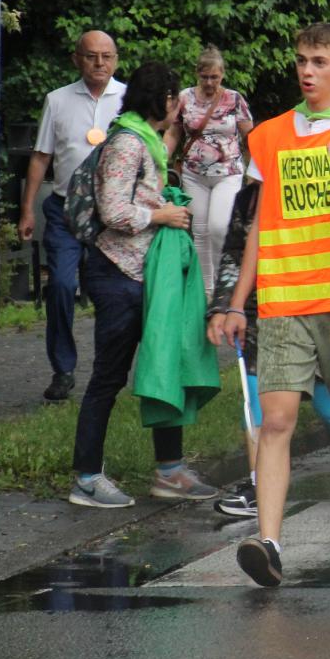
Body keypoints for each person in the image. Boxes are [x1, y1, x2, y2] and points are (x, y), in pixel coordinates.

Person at [212, 23, 330, 587]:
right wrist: (236, 302)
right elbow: (261, 226)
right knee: (277, 423)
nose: (306, 71)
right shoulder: (268, 136)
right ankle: (268, 541)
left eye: (319, 61)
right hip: (285, 297)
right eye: (300, 61)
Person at [69, 61, 217, 509]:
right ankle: (87, 478)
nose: (180, 105)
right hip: (118, 274)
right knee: (108, 378)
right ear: (164, 100)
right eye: (176, 97)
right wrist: (161, 215)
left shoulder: (148, 140)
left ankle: (170, 472)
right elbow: (112, 210)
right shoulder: (128, 143)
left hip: (148, 275)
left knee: (165, 364)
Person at [209, 181, 330, 518]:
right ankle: (258, 486)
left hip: (313, 312)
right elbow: (234, 252)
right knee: (262, 405)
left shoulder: (312, 187)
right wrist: (224, 307)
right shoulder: (247, 199)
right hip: (261, 317)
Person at [19, 30, 128, 401]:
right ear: (76, 59)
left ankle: (110, 370)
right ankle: (63, 369)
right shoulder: (58, 100)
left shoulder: (129, 100)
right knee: (63, 286)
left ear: (115, 59)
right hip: (65, 209)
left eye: (107, 56)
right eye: (92, 56)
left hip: (109, 216)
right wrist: (27, 210)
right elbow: (41, 156)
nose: (100, 64)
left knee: (112, 295)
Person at [164, 47, 253, 296]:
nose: (210, 82)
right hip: (195, 173)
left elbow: (251, 136)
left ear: (222, 74)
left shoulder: (234, 99)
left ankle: (227, 285)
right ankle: (207, 290)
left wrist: (257, 168)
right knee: (200, 231)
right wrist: (160, 159)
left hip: (228, 171)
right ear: (197, 74)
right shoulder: (184, 98)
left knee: (218, 227)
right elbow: (173, 133)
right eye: (205, 77)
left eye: (215, 77)